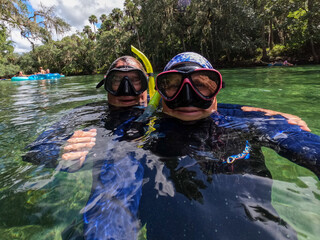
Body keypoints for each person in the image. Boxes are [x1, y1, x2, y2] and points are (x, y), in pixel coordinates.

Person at [82, 52, 320, 239]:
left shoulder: (250, 121)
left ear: (217, 90)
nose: (188, 96)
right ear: (160, 94)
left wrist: (258, 114)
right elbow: (113, 196)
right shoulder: (139, 132)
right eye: (174, 85)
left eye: (202, 84)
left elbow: (301, 144)